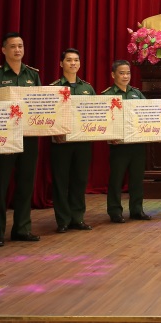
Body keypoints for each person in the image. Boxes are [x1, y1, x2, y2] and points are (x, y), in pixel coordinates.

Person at [0, 32, 43, 247]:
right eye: (13, 46)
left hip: (28, 136)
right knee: (0, 186)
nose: (17, 50)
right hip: (3, 138)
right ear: (3, 50)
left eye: (20, 46)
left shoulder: (32, 74)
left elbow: (40, 103)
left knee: (26, 184)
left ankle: (22, 229)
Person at [50, 48, 95, 233]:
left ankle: (78, 218)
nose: (73, 63)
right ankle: (63, 220)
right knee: (61, 181)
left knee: (80, 180)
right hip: (61, 142)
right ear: (61, 63)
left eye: (76, 60)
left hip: (83, 142)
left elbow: (95, 113)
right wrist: (54, 132)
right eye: (69, 60)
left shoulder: (87, 88)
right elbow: (48, 115)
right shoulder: (53, 88)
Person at [102, 60, 152, 223]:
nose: (125, 76)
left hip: (137, 145)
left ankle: (137, 210)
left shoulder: (136, 93)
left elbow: (147, 113)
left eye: (128, 73)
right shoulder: (107, 95)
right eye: (122, 73)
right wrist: (109, 135)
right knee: (116, 180)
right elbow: (102, 121)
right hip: (119, 146)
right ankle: (115, 211)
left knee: (137, 179)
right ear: (113, 75)